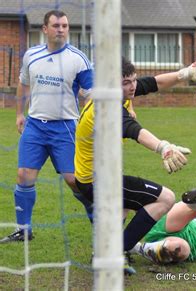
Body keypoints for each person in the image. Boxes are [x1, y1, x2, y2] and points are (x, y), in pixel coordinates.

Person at [74, 57, 196, 274]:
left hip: (93, 178)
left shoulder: (115, 93)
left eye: (132, 80)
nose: (132, 86)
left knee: (124, 206)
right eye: (125, 82)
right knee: (166, 198)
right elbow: (134, 130)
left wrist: (185, 74)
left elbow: (154, 83)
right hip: (97, 182)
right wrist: (163, 147)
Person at [1, 10, 94, 243]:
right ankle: (24, 230)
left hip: (65, 129)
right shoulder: (31, 55)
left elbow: (91, 95)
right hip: (34, 126)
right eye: (56, 25)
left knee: (75, 180)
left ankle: (100, 223)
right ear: (45, 29)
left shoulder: (78, 59)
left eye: (64, 25)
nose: (60, 29)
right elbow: (23, 84)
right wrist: (20, 113)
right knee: (24, 175)